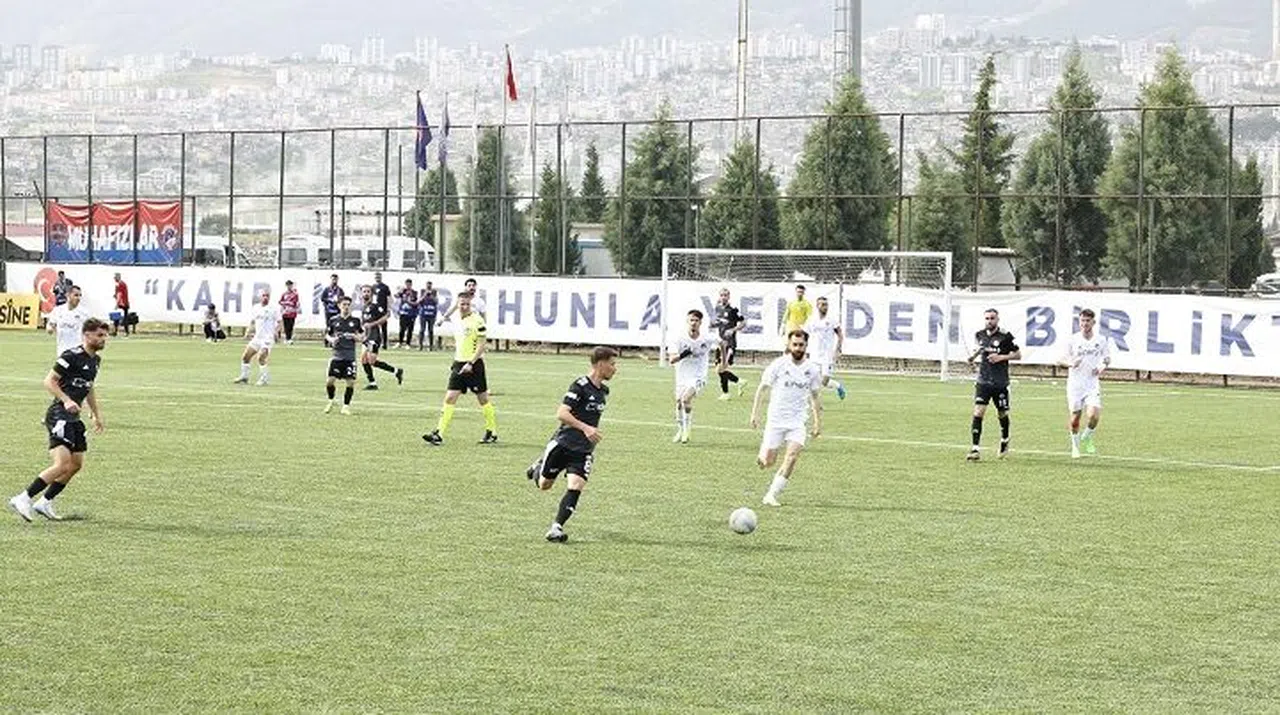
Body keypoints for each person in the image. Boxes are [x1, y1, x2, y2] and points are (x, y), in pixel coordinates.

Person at [9, 318, 110, 522]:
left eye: (105, 335)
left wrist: (96, 413)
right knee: (62, 463)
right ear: (87, 335)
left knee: (75, 464)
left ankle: (44, 502)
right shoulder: (70, 356)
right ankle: (23, 497)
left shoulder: (95, 361)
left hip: (74, 418)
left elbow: (89, 387)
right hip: (59, 414)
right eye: (100, 335)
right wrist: (66, 400)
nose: (104, 339)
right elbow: (49, 381)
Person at [526, 346, 619, 543]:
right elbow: (561, 413)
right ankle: (538, 467)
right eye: (612, 364)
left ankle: (556, 528)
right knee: (544, 485)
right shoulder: (579, 385)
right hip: (563, 444)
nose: (615, 368)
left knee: (576, 486)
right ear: (601, 364)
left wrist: (587, 433)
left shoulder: (604, 390)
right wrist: (586, 428)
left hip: (584, 450)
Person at [751, 329, 823, 507]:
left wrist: (817, 423)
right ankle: (763, 455)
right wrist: (755, 413)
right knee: (768, 462)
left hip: (797, 422)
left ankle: (771, 495)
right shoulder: (778, 365)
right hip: (776, 420)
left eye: (801, 345)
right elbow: (762, 388)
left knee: (792, 456)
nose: (798, 348)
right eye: (795, 344)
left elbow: (815, 396)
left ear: (806, 345)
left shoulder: (812, 370)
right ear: (789, 345)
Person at [423, 291, 498, 446]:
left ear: (471, 304)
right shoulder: (456, 319)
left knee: (482, 399)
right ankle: (439, 433)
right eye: (461, 304)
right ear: (457, 304)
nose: (464, 306)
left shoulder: (478, 321)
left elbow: (482, 345)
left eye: (467, 304)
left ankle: (491, 431)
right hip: (458, 363)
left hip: (474, 365)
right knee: (449, 397)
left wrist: (471, 363)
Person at [966, 308, 1021, 461]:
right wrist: (972, 358)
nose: (989, 321)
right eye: (987, 318)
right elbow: (981, 349)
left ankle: (1004, 439)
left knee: (1002, 413)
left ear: (997, 319)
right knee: (978, 412)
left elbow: (1018, 354)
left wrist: (1001, 357)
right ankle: (975, 449)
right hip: (983, 381)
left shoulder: (1006, 336)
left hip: (1000, 382)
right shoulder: (980, 335)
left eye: (992, 318)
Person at [1059, 308, 1112, 459]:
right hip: (1075, 385)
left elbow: (1107, 359)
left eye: (1088, 320)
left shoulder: (1101, 340)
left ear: (1093, 322)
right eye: (1082, 320)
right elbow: (1059, 359)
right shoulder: (1072, 340)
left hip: (1091, 384)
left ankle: (1088, 435)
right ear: (1079, 322)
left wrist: (1101, 367)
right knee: (1075, 418)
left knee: (1094, 415)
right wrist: (1070, 363)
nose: (1084, 323)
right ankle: (1075, 447)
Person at [669, 309, 719, 444]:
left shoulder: (707, 337)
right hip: (682, 376)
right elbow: (671, 360)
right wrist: (684, 354)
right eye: (691, 320)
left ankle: (687, 430)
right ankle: (680, 429)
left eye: (696, 321)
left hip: (698, 376)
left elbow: (723, 343)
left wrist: (723, 362)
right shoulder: (679, 338)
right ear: (687, 321)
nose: (693, 323)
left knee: (686, 400)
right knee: (679, 402)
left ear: (700, 323)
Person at [324, 296, 364, 415]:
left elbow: (362, 335)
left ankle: (346, 406)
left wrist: (357, 337)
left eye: (348, 305)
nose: (346, 307)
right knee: (330, 381)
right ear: (339, 305)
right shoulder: (333, 320)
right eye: (344, 304)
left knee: (350, 382)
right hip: (337, 356)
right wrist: (331, 340)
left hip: (349, 356)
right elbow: (327, 334)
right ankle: (331, 401)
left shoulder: (355, 321)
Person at [359, 284, 404, 390]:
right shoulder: (364, 307)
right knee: (363, 360)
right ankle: (372, 383)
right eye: (364, 291)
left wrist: (372, 324)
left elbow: (386, 316)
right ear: (361, 293)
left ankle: (396, 371)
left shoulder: (375, 306)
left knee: (372, 361)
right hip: (367, 337)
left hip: (374, 337)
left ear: (371, 293)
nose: (366, 293)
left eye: (368, 291)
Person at [234, 289, 282, 386]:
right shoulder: (256, 308)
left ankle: (264, 379)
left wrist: (276, 332)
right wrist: (248, 332)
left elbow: (280, 322)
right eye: (263, 295)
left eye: (267, 296)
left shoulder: (274, 309)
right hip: (257, 338)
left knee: (261, 357)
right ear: (260, 297)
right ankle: (244, 377)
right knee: (245, 357)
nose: (265, 297)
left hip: (267, 338)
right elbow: (253, 322)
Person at [805, 296, 847, 400]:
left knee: (824, 381)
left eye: (826, 305)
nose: (825, 307)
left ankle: (838, 386)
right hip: (814, 355)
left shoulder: (832, 320)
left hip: (827, 356)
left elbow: (840, 335)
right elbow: (804, 336)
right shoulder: (811, 321)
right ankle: (815, 404)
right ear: (817, 306)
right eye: (823, 305)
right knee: (812, 380)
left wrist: (838, 349)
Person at [713, 288, 748, 400]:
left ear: (729, 297)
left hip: (730, 344)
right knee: (720, 369)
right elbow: (718, 322)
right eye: (722, 295)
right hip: (720, 343)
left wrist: (733, 329)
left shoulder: (733, 310)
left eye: (725, 295)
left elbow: (743, 322)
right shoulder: (717, 308)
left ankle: (731, 388)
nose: (723, 297)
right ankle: (733, 387)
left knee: (721, 369)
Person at [46, 284, 90, 356]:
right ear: (68, 295)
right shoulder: (58, 310)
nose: (78, 298)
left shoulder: (84, 313)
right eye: (76, 295)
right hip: (62, 351)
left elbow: (91, 330)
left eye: (80, 295)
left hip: (78, 352)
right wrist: (50, 328)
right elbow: (51, 324)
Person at [370, 271, 393, 349]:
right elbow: (370, 298)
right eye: (376, 277)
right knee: (375, 327)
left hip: (383, 309)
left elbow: (389, 298)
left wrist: (389, 309)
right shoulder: (372, 287)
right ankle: (376, 342)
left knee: (384, 327)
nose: (377, 278)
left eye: (379, 277)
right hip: (375, 309)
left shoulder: (385, 287)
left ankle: (385, 343)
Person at [396, 279, 418, 349]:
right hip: (403, 313)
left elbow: (416, 303)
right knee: (402, 329)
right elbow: (396, 296)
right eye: (407, 284)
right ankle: (400, 342)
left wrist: (408, 301)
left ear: (411, 285)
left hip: (411, 313)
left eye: (409, 284)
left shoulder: (414, 292)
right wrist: (400, 291)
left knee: (410, 329)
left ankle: (408, 343)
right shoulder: (403, 292)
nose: (408, 286)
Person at [417, 282, 439, 350]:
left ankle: (431, 346)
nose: (429, 286)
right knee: (422, 330)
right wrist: (425, 295)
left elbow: (436, 301)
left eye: (430, 285)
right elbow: (419, 301)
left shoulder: (434, 292)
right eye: (427, 285)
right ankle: (420, 345)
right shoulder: (422, 291)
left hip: (431, 314)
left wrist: (431, 295)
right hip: (423, 314)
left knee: (431, 330)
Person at [279, 280, 300, 345]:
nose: (289, 286)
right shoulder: (284, 294)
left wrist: (288, 303)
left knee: (290, 326)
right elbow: (280, 301)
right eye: (288, 285)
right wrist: (285, 303)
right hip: (285, 312)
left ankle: (289, 338)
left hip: (292, 313)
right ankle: (287, 338)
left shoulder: (295, 294)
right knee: (286, 326)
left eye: (290, 285)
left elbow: (294, 303)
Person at [111, 273, 132, 337]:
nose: (114, 279)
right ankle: (117, 331)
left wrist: (117, 304)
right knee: (119, 317)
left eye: (115, 277)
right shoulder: (121, 284)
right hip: (123, 303)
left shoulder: (120, 284)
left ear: (118, 277)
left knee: (121, 318)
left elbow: (120, 294)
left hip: (122, 303)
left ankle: (122, 332)